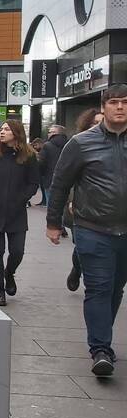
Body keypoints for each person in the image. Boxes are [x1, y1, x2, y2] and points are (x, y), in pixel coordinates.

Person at [47, 86, 127, 376]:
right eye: (114, 102)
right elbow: (60, 184)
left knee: (116, 288)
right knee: (99, 287)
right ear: (103, 107)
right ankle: (101, 349)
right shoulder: (81, 143)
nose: (120, 107)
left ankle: (102, 335)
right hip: (93, 228)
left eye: (125, 103)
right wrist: (53, 223)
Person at [0, 119, 40, 307]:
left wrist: (23, 198)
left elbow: (33, 182)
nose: (2, 132)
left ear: (17, 133)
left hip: (17, 212)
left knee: (17, 252)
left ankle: (9, 273)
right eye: (1, 129)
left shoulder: (28, 156)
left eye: (7, 129)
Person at [65, 109, 104, 293]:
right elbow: (68, 178)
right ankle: (77, 269)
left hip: (111, 210)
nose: (99, 126)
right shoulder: (79, 145)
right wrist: (73, 200)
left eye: (101, 122)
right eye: (94, 123)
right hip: (83, 207)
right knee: (81, 246)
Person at [38, 125, 68, 208]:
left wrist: (41, 176)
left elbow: (41, 163)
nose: (49, 134)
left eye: (52, 132)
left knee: (52, 208)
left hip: (50, 180)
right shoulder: (70, 144)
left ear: (57, 133)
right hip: (68, 181)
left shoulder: (47, 145)